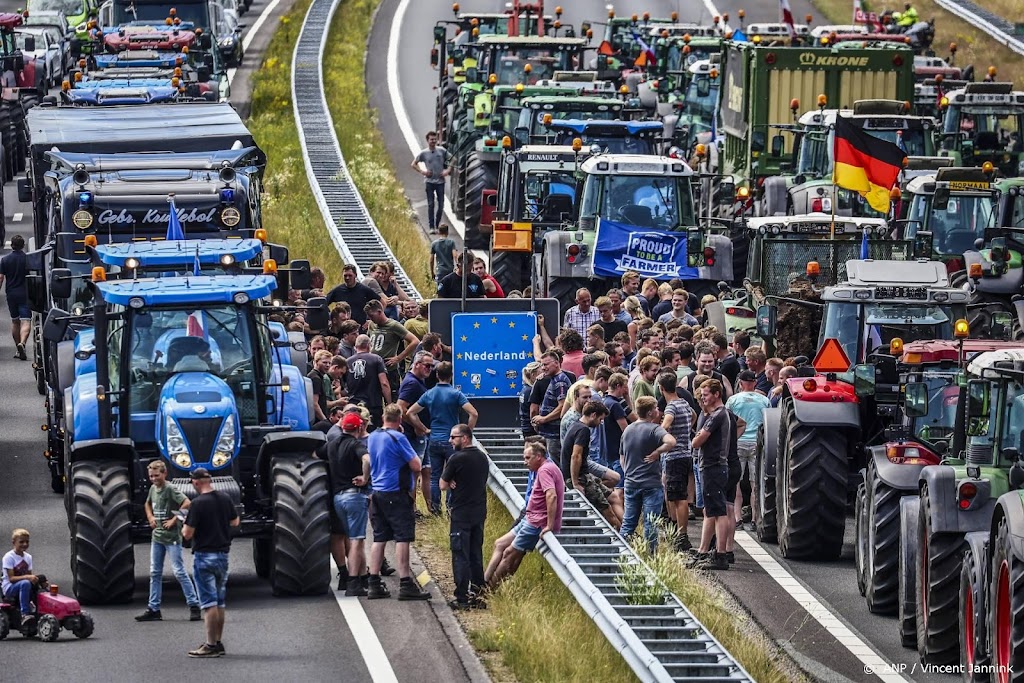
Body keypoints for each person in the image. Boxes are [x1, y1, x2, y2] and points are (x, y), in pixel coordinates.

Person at [365, 404, 431, 600]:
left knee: (379, 537)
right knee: (403, 537)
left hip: (377, 491)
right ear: (400, 420)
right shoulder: (398, 438)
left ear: (383, 418)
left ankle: (373, 582)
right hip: (395, 492)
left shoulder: (373, 436)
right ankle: (405, 583)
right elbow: (416, 464)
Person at [485, 441, 564, 589]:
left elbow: (551, 496)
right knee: (500, 544)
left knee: (509, 553)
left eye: (528, 458)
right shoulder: (547, 468)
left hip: (536, 521)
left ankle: (488, 590)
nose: (525, 462)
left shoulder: (544, 470)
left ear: (538, 457)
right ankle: (484, 581)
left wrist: (549, 525)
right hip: (530, 516)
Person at [406, 361, 479, 515]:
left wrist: (424, 429)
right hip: (452, 441)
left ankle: (435, 509)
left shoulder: (429, 393)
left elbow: (410, 412)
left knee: (434, 476)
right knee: (453, 475)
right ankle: (450, 509)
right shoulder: (456, 394)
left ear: (437, 375)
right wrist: (467, 432)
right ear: (451, 376)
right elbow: (474, 413)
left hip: (434, 439)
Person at [182, 468, 240, 658]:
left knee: (208, 603)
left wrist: (184, 525)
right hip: (223, 555)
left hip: (204, 556)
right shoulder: (225, 498)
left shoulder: (197, 504)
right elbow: (235, 522)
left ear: (195, 483)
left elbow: (187, 534)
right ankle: (218, 642)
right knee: (220, 602)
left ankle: (210, 645)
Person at [136, 461, 201, 622]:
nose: (153, 479)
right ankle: (153, 608)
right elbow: (147, 504)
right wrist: (150, 517)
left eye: (156, 476)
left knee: (179, 571)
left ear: (164, 474)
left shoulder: (170, 489)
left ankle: (194, 605)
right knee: (155, 572)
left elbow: (187, 503)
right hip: (157, 537)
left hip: (172, 537)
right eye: (151, 476)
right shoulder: (153, 488)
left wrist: (174, 520)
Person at [440, 424, 489, 609]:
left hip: (461, 513)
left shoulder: (456, 459)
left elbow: (443, 485)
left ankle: (461, 597)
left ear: (465, 438)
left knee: (460, 554)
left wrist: (451, 479)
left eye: (454, 437)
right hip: (478, 512)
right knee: (476, 554)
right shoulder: (482, 457)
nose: (450, 441)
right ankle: (479, 595)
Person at [324, 412, 372, 595]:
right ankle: (353, 582)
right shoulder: (355, 444)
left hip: (337, 499)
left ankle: (360, 577)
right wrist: (365, 478)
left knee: (349, 537)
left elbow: (315, 453)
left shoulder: (331, 444)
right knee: (356, 540)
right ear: (359, 428)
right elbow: (367, 459)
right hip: (354, 496)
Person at [619, 397, 675, 552]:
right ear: (651, 412)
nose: (658, 411)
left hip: (631, 482)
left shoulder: (628, 430)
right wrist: (657, 452)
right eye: (656, 408)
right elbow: (671, 442)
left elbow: (622, 458)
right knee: (651, 524)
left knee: (628, 523)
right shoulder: (655, 429)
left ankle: (621, 553)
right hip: (651, 484)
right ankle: (651, 556)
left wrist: (629, 473)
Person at [689, 380, 732, 570]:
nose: (702, 398)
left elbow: (697, 442)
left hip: (713, 466)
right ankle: (703, 550)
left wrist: (697, 436)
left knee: (718, 511)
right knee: (711, 510)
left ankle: (720, 554)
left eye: (705, 394)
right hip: (713, 466)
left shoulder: (717, 415)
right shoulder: (719, 414)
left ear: (716, 394)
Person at [659, 372, 695, 551]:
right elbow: (694, 416)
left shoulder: (671, 407)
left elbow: (666, 424)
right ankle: (676, 531)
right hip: (685, 453)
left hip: (675, 456)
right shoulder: (684, 402)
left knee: (679, 497)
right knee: (673, 495)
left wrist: (660, 432)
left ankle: (682, 535)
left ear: (661, 388)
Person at [726, 371, 768, 526]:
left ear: (740, 383)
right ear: (755, 383)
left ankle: (737, 518)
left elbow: (728, 421)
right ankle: (755, 518)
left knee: (736, 481)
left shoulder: (733, 400)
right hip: (757, 443)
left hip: (739, 441)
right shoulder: (764, 400)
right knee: (755, 483)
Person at [397, 351, 434, 514]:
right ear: (417, 364)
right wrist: (419, 426)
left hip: (422, 435)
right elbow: (401, 407)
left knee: (427, 470)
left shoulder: (419, 381)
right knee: (414, 471)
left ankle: (432, 508)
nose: (430, 369)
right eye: (427, 365)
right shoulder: (411, 383)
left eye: (432, 366)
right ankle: (410, 508)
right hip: (414, 435)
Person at [366, 299, 419, 391]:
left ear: (379, 312)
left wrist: (398, 358)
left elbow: (415, 341)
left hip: (389, 369)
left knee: (392, 395)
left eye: (372, 316)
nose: (371, 318)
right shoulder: (372, 325)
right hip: (373, 367)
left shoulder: (393, 325)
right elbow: (367, 342)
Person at [531, 350, 573, 459]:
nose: (543, 368)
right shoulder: (554, 379)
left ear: (556, 363)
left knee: (557, 464)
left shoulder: (560, 381)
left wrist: (544, 419)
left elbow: (563, 406)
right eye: (542, 365)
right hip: (550, 433)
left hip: (555, 434)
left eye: (546, 364)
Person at [346, 334, 391, 430]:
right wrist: (389, 403)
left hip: (353, 405)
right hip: (373, 404)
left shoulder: (347, 362)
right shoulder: (377, 359)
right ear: (369, 345)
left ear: (355, 347)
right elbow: (384, 383)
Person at [411, 130, 453, 233]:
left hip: (440, 182)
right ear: (427, 140)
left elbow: (453, 159)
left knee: (441, 205)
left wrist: (447, 170)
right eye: (431, 139)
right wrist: (423, 172)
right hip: (429, 182)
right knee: (431, 204)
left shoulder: (442, 151)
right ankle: (431, 227)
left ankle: (437, 224)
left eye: (435, 139)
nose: (433, 141)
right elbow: (413, 164)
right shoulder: (424, 153)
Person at [325, 264, 387, 328]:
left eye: (350, 275)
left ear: (355, 275)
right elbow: (324, 303)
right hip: (343, 328)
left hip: (360, 328)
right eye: (345, 276)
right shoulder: (337, 290)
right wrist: (330, 318)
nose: (347, 278)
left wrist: (371, 321)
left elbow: (383, 303)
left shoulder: (364, 289)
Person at [0, 235, 30, 359]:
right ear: (23, 245)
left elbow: (1, 278)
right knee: (26, 321)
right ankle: (22, 343)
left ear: (12, 245)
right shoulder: (27, 259)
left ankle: (18, 350)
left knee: (15, 321)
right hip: (25, 293)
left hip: (11, 294)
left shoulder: (5, 260)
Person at [2, 528, 38, 628]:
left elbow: (30, 576)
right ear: (14, 542)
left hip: (22, 585)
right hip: (10, 587)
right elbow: (11, 579)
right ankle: (24, 614)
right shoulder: (9, 557)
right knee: (25, 583)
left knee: (37, 584)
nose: (25, 544)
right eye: (21, 542)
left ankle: (39, 610)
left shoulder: (28, 557)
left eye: (27, 542)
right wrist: (27, 577)